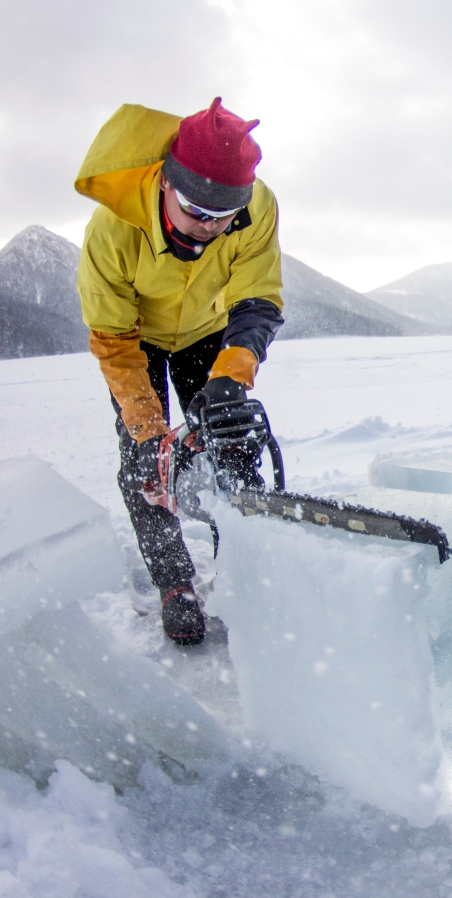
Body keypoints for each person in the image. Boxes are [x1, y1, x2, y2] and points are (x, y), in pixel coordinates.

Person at [75, 98, 284, 647]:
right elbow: (114, 344)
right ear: (167, 182)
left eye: (225, 219)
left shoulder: (258, 208)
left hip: (206, 332)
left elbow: (258, 298)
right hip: (137, 339)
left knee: (233, 448)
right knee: (147, 469)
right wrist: (148, 428)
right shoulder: (111, 232)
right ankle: (175, 584)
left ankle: (242, 570)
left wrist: (230, 377)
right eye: (196, 212)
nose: (209, 229)